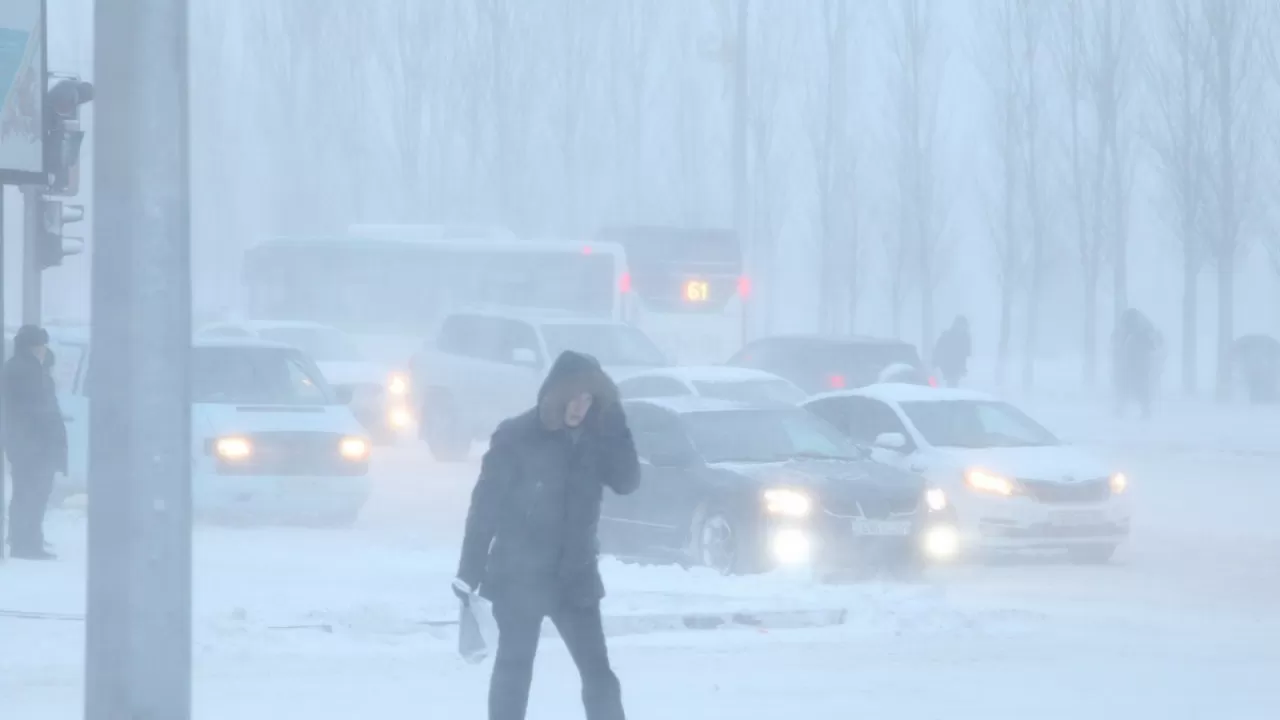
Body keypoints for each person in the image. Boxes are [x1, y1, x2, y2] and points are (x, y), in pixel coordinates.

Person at [453, 350, 640, 720]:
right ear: (554, 393)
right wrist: (468, 572)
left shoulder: (596, 439)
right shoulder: (517, 436)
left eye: (588, 398)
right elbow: (484, 508)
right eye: (572, 396)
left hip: (576, 576)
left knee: (598, 674)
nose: (579, 407)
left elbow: (627, 482)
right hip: (520, 576)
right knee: (514, 672)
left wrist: (616, 424)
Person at [4, 325, 68, 560]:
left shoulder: (28, 368)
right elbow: (37, 411)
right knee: (32, 493)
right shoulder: (26, 371)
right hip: (32, 446)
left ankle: (27, 538)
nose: (43, 350)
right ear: (32, 347)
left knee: (30, 493)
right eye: (41, 346)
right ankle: (26, 543)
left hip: (30, 445)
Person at [1112, 309, 1157, 419]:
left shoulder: (1141, 334)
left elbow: (1149, 348)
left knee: (1136, 387)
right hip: (1133, 365)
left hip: (1139, 366)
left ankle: (1144, 410)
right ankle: (1125, 409)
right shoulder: (1136, 333)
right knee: (1128, 386)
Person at [932, 316, 971, 388]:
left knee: (953, 383)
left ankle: (950, 394)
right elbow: (939, 351)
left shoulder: (966, 338)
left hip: (956, 365)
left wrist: (963, 367)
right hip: (946, 363)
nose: (963, 327)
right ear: (956, 325)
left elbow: (964, 355)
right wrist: (936, 362)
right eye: (961, 325)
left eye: (964, 325)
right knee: (945, 382)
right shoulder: (947, 336)